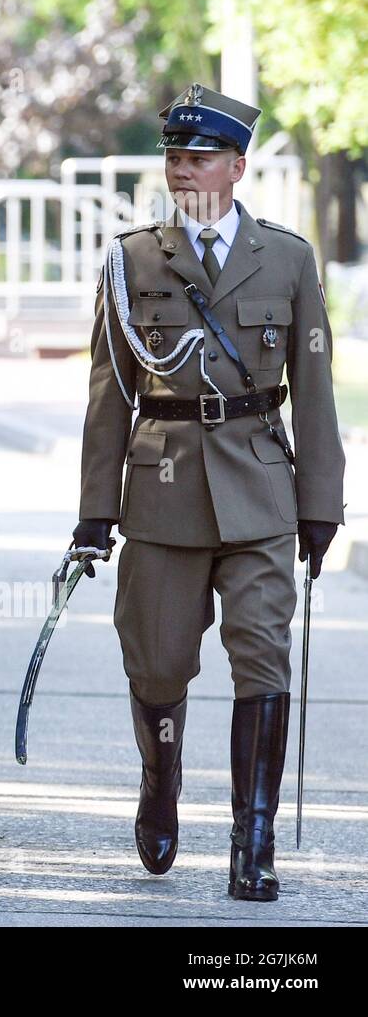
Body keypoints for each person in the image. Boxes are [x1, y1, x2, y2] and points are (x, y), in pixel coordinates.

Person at [76, 82, 344, 901]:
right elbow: (108, 389)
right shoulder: (131, 259)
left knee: (261, 656)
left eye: (200, 156)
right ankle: (161, 780)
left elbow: (318, 387)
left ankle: (251, 838)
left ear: (236, 164)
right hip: (160, 493)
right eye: (174, 155)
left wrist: (321, 504)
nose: (184, 169)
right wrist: (95, 510)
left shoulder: (289, 258)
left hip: (261, 489)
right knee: (156, 665)